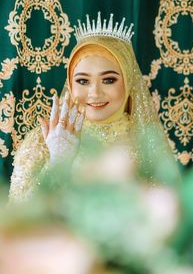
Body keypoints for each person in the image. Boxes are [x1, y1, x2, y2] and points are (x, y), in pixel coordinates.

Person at [9, 12, 180, 202]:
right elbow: (20, 218)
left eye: (108, 80)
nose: (95, 93)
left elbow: (171, 218)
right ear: (71, 85)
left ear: (128, 80)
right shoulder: (42, 141)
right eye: (83, 80)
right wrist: (59, 161)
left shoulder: (147, 142)